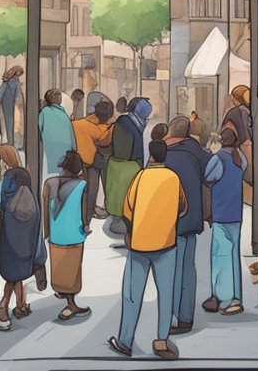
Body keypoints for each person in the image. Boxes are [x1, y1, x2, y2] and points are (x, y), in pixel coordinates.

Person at [108, 140, 185, 361]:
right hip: (167, 244)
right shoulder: (173, 178)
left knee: (132, 294)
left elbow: (127, 210)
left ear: (150, 155)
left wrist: (133, 232)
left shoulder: (140, 177)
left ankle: (125, 341)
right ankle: (162, 339)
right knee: (166, 293)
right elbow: (183, 207)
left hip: (140, 244)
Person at [164, 116, 210, 335]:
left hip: (169, 222)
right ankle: (185, 317)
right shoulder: (195, 150)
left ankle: (172, 314)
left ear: (170, 132)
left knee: (171, 270)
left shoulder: (163, 154)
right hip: (192, 219)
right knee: (187, 268)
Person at [43, 151, 91, 321]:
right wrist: (86, 227)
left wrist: (47, 232)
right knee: (73, 269)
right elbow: (84, 211)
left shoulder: (49, 183)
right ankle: (71, 305)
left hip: (56, 234)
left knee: (59, 266)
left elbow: (46, 209)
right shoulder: (82, 184)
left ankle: (61, 291)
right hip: (73, 234)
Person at [203, 127, 246, 315]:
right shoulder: (240, 158)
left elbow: (208, 177)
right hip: (235, 212)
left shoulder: (218, 158)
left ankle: (224, 298)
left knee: (221, 256)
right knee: (234, 254)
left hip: (221, 212)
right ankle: (235, 297)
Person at [0, 167, 40, 331]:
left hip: (9, 249)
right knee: (16, 276)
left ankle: (3, 310)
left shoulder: (8, 204)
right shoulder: (32, 203)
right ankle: (20, 305)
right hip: (26, 251)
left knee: (10, 279)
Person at [107, 99, 152, 238]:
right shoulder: (124, 122)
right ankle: (120, 221)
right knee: (123, 194)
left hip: (134, 163)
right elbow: (122, 149)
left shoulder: (138, 122)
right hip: (125, 164)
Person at [72, 97, 114, 225]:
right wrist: (112, 126)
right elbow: (105, 141)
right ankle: (86, 223)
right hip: (90, 165)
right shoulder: (100, 129)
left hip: (74, 163)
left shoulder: (77, 123)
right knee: (91, 194)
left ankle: (77, 221)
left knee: (77, 194)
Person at [39, 89, 76, 179]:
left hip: (51, 144)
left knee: (53, 172)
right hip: (65, 145)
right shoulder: (64, 115)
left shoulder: (44, 112)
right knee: (61, 171)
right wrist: (74, 149)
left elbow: (40, 128)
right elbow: (71, 133)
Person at [0, 67, 23, 146]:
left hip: (13, 105)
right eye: (19, 73)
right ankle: (10, 143)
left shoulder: (14, 82)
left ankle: (12, 142)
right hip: (8, 105)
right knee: (10, 123)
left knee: (13, 124)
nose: (19, 75)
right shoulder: (8, 82)